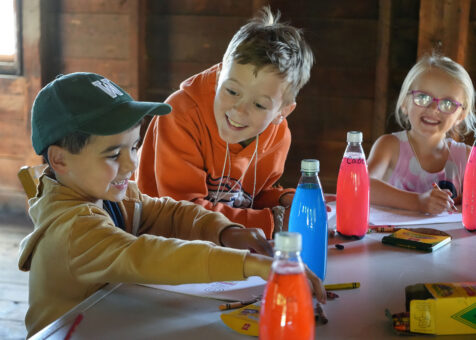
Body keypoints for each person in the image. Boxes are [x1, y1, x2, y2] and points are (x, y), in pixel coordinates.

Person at [18, 72, 325, 337]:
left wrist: (226, 232)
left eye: (134, 146)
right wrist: (250, 263)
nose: (130, 164)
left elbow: (169, 211)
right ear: (60, 159)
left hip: (112, 322)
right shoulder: (72, 229)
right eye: (113, 155)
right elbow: (146, 255)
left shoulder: (109, 194)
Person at [136, 7, 314, 238]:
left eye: (259, 105)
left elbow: (247, 197)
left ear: (282, 112)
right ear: (219, 75)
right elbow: (182, 213)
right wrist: (272, 223)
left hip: (217, 244)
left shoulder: (278, 136)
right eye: (231, 91)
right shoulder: (181, 114)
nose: (239, 109)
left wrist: (284, 200)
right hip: (153, 240)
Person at [367, 54, 476, 214]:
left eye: (447, 103)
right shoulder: (389, 146)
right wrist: (418, 202)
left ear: (460, 115)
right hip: (388, 238)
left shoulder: (466, 157)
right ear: (405, 102)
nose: (433, 109)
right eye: (423, 97)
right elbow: (363, 184)